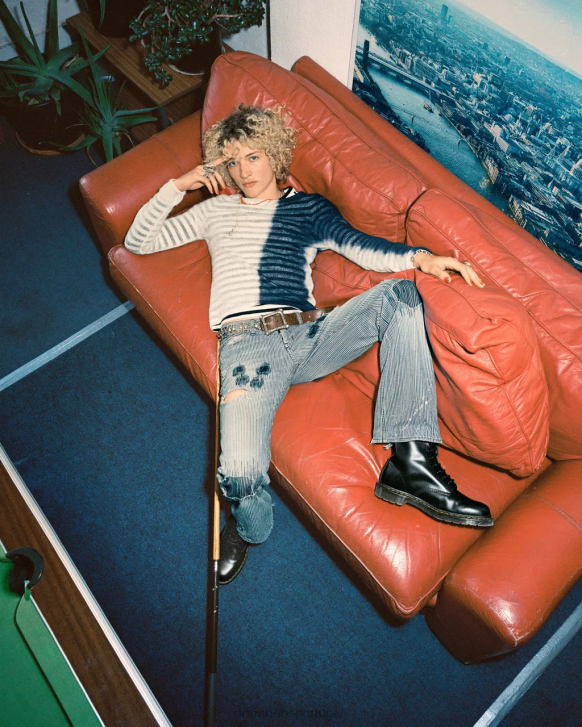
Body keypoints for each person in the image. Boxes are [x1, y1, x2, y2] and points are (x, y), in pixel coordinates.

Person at [124, 104, 493, 585]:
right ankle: (248, 527)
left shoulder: (310, 209)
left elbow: (361, 247)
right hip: (247, 349)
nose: (243, 171)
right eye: (232, 162)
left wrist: (422, 257)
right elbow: (139, 241)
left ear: (274, 155)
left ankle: (411, 462)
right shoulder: (215, 211)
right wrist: (180, 184)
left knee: (401, 296)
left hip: (310, 334)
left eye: (253, 156)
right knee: (238, 474)